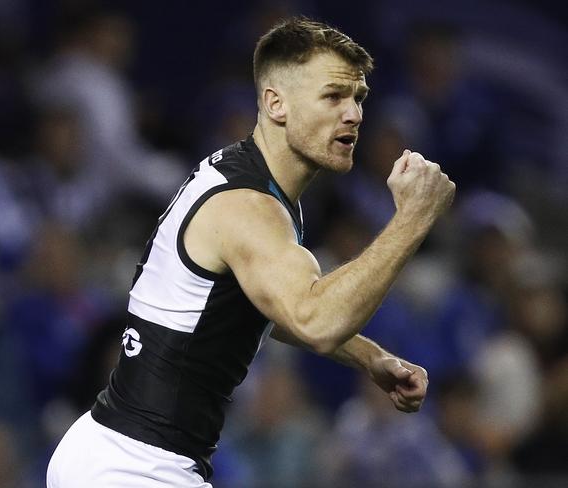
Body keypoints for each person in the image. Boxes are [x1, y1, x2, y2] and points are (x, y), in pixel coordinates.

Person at [46, 17, 455, 488]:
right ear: (275, 103)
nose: (354, 114)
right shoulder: (248, 207)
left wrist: (369, 357)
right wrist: (414, 218)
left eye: (358, 97)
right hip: (135, 466)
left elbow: (265, 303)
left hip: (115, 453)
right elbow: (313, 321)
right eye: (333, 96)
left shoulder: (254, 182)